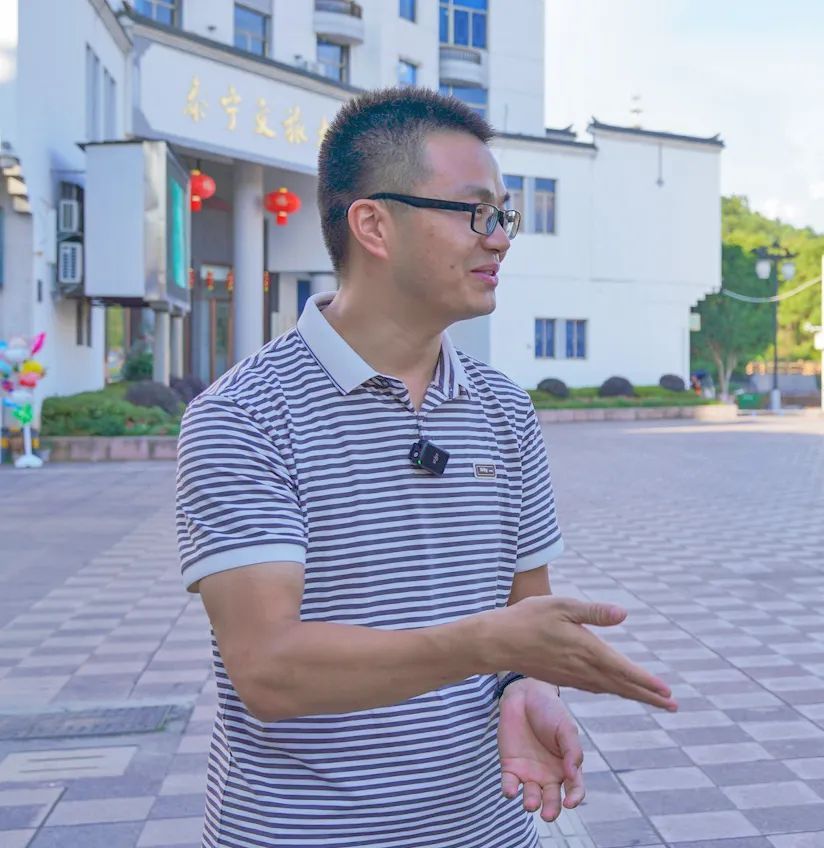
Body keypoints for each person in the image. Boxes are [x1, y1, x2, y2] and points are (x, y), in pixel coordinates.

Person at [175, 87, 677, 848]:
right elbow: (270, 671)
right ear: (373, 224)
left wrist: (526, 686)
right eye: (474, 212)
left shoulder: (504, 409)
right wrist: (490, 646)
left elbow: (523, 617)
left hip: (491, 829)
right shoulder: (244, 417)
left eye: (503, 215)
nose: (500, 239)